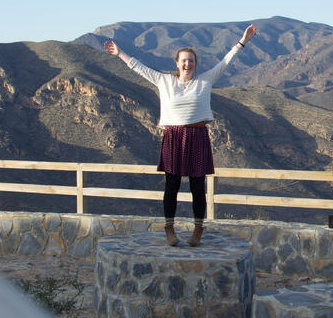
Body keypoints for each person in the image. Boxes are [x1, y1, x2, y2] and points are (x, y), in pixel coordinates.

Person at [104, 24, 257, 246]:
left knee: (197, 188)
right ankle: (169, 229)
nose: (187, 64)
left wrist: (242, 41)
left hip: (197, 136)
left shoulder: (205, 81)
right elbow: (139, 68)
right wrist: (120, 54)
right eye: (184, 60)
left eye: (191, 60)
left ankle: (198, 230)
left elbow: (226, 62)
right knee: (172, 186)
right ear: (177, 63)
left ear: (196, 64)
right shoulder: (164, 81)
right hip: (173, 137)